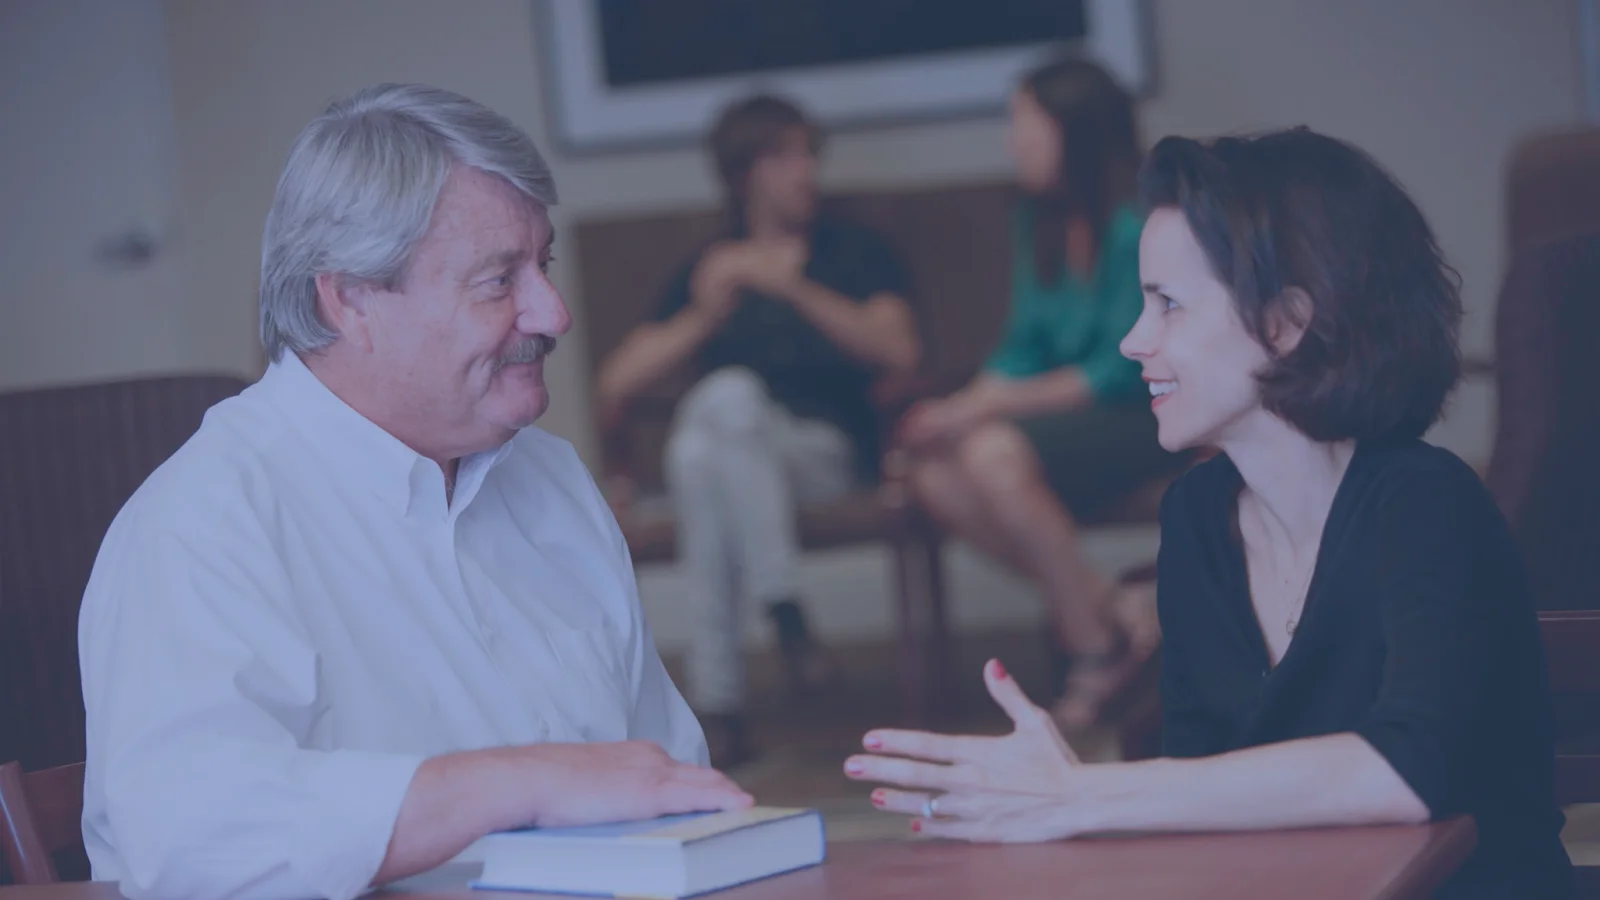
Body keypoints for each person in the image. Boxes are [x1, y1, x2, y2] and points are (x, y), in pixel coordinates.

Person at [845, 128, 1574, 898]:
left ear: (1285, 323)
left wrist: (1082, 793)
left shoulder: (1427, 505)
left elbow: (1406, 772)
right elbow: (1201, 797)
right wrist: (1058, 809)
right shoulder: (1198, 518)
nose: (1134, 341)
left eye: (1168, 305)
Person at [77, 83, 753, 900]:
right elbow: (189, 838)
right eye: (498, 280)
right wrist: (523, 784)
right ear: (351, 300)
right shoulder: (204, 526)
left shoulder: (549, 478)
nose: (553, 313)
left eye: (541, 266)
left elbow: (666, 779)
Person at [596, 95, 919, 767]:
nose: (805, 171)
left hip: (824, 456)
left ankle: (720, 701)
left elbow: (899, 350)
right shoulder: (710, 268)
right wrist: (706, 315)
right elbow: (617, 382)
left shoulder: (850, 251)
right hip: (734, 465)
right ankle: (783, 621)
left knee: (717, 417)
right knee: (704, 445)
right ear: (744, 173)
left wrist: (789, 286)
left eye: (808, 155)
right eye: (784, 157)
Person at [896, 58, 1186, 729]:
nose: (1011, 142)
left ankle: (1092, 651)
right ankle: (1111, 611)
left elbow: (1119, 368)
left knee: (991, 453)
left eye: (1022, 123)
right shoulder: (1038, 220)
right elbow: (1021, 347)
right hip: (1068, 420)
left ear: (1072, 130)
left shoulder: (1139, 221)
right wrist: (955, 410)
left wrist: (986, 408)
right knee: (934, 472)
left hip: (1145, 410)